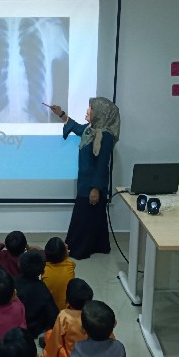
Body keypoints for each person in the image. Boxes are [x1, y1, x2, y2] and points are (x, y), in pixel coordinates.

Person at [50, 97, 120, 260]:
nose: (88, 111)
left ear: (101, 113)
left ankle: (79, 250)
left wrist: (96, 188)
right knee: (95, 217)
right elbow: (77, 128)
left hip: (93, 186)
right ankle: (100, 246)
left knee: (83, 218)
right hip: (85, 182)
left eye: (91, 108)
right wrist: (61, 114)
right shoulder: (90, 130)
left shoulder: (105, 136)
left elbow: (102, 164)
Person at [38, 278, 94, 357]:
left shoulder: (64, 315)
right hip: (91, 355)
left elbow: (56, 341)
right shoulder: (95, 312)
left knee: (48, 335)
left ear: (67, 299)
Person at [14, 251, 59, 339]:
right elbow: (53, 315)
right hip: (34, 328)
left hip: (16, 325)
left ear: (19, 265)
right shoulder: (42, 289)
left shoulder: (12, 282)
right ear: (43, 271)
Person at [41, 237, 75, 311]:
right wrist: (66, 253)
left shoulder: (44, 269)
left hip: (50, 308)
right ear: (64, 254)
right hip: (66, 307)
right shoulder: (70, 264)